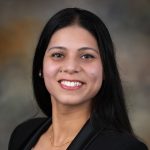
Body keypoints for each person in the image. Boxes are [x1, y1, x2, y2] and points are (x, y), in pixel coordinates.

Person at [8, 8, 148, 150]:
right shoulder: (22, 135)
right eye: (58, 55)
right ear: (40, 66)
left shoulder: (124, 147)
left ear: (105, 69)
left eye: (86, 56)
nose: (71, 67)